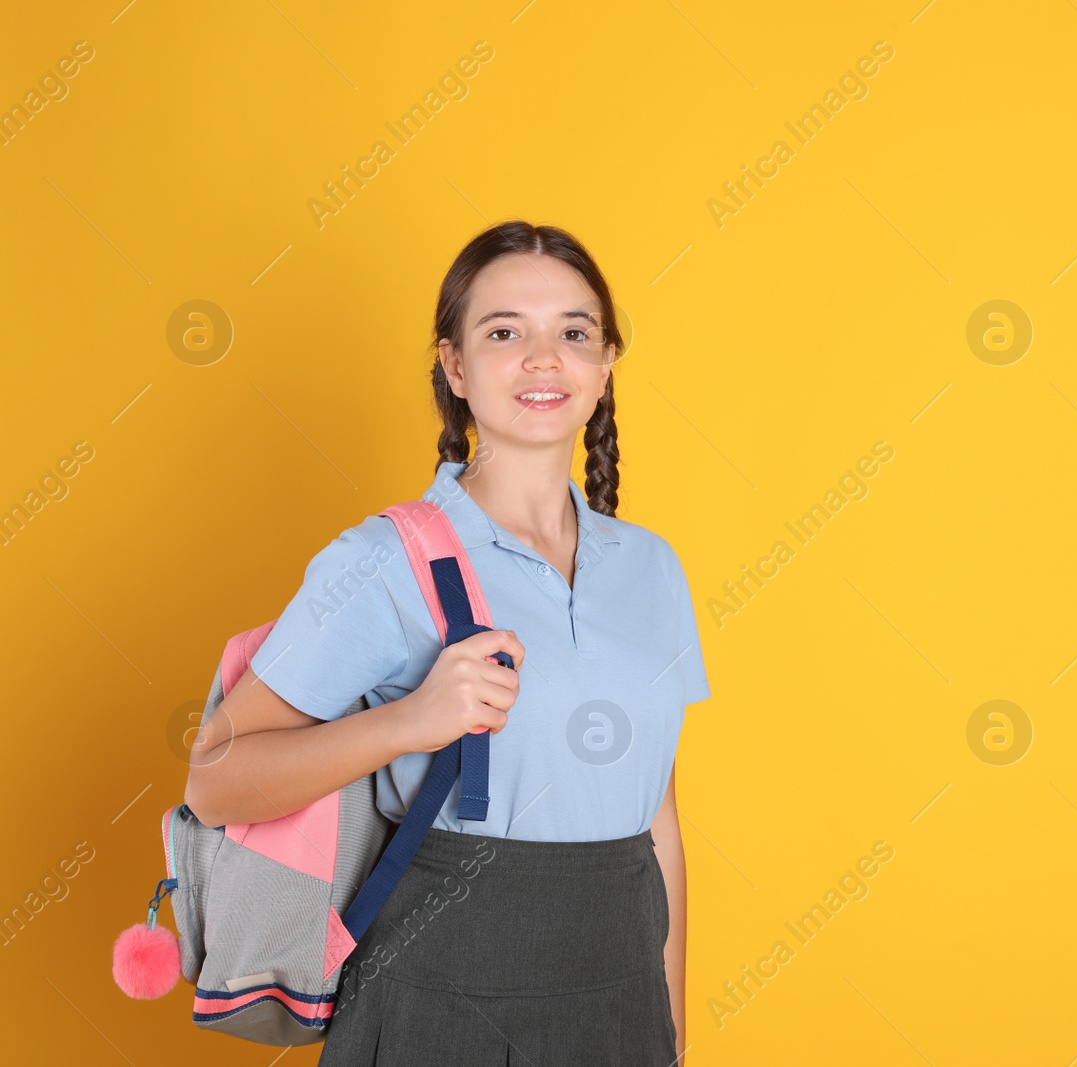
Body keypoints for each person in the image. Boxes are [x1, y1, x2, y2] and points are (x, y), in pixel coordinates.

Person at [183, 221, 710, 1065]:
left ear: (606, 360)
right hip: (439, 995)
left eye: (573, 332)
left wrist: (673, 1039)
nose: (544, 358)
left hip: (621, 999)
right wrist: (410, 721)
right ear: (455, 367)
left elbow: (661, 830)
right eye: (505, 332)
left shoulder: (652, 568)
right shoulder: (386, 560)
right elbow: (214, 780)